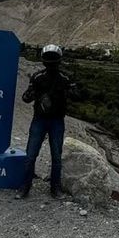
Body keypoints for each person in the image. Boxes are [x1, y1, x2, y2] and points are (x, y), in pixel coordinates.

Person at [16, 44, 77, 200]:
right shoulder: (55, 78)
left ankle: (29, 188)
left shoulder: (54, 78)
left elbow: (25, 98)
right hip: (46, 120)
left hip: (50, 120)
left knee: (41, 155)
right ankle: (41, 188)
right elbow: (26, 97)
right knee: (42, 155)